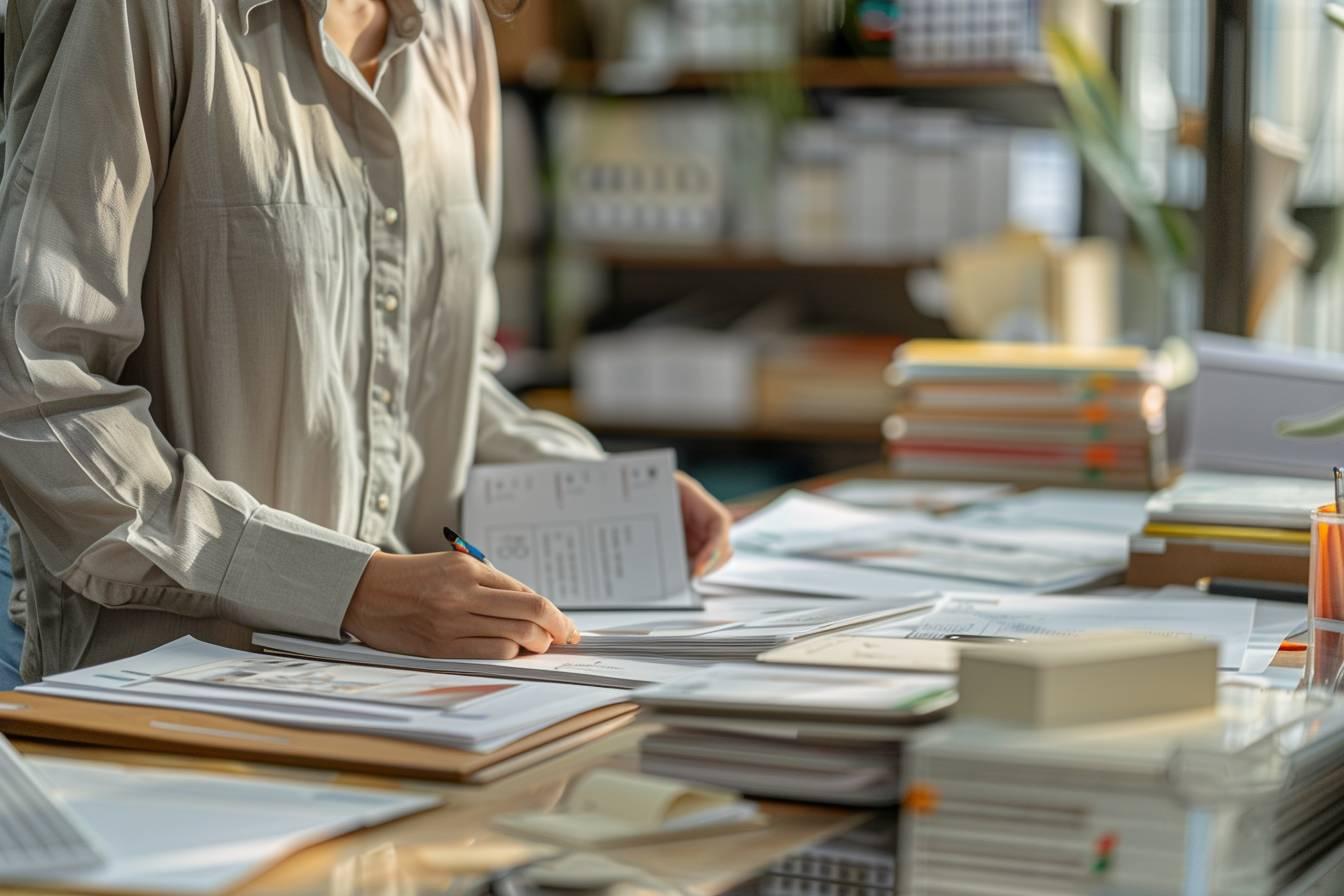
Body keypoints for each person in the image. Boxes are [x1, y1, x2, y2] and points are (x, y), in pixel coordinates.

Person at [0, 0, 733, 682]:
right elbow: (34, 385)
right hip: (177, 696)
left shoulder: (451, 27)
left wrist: (594, 491)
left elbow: (432, 375)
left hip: (404, 689)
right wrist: (345, 589)